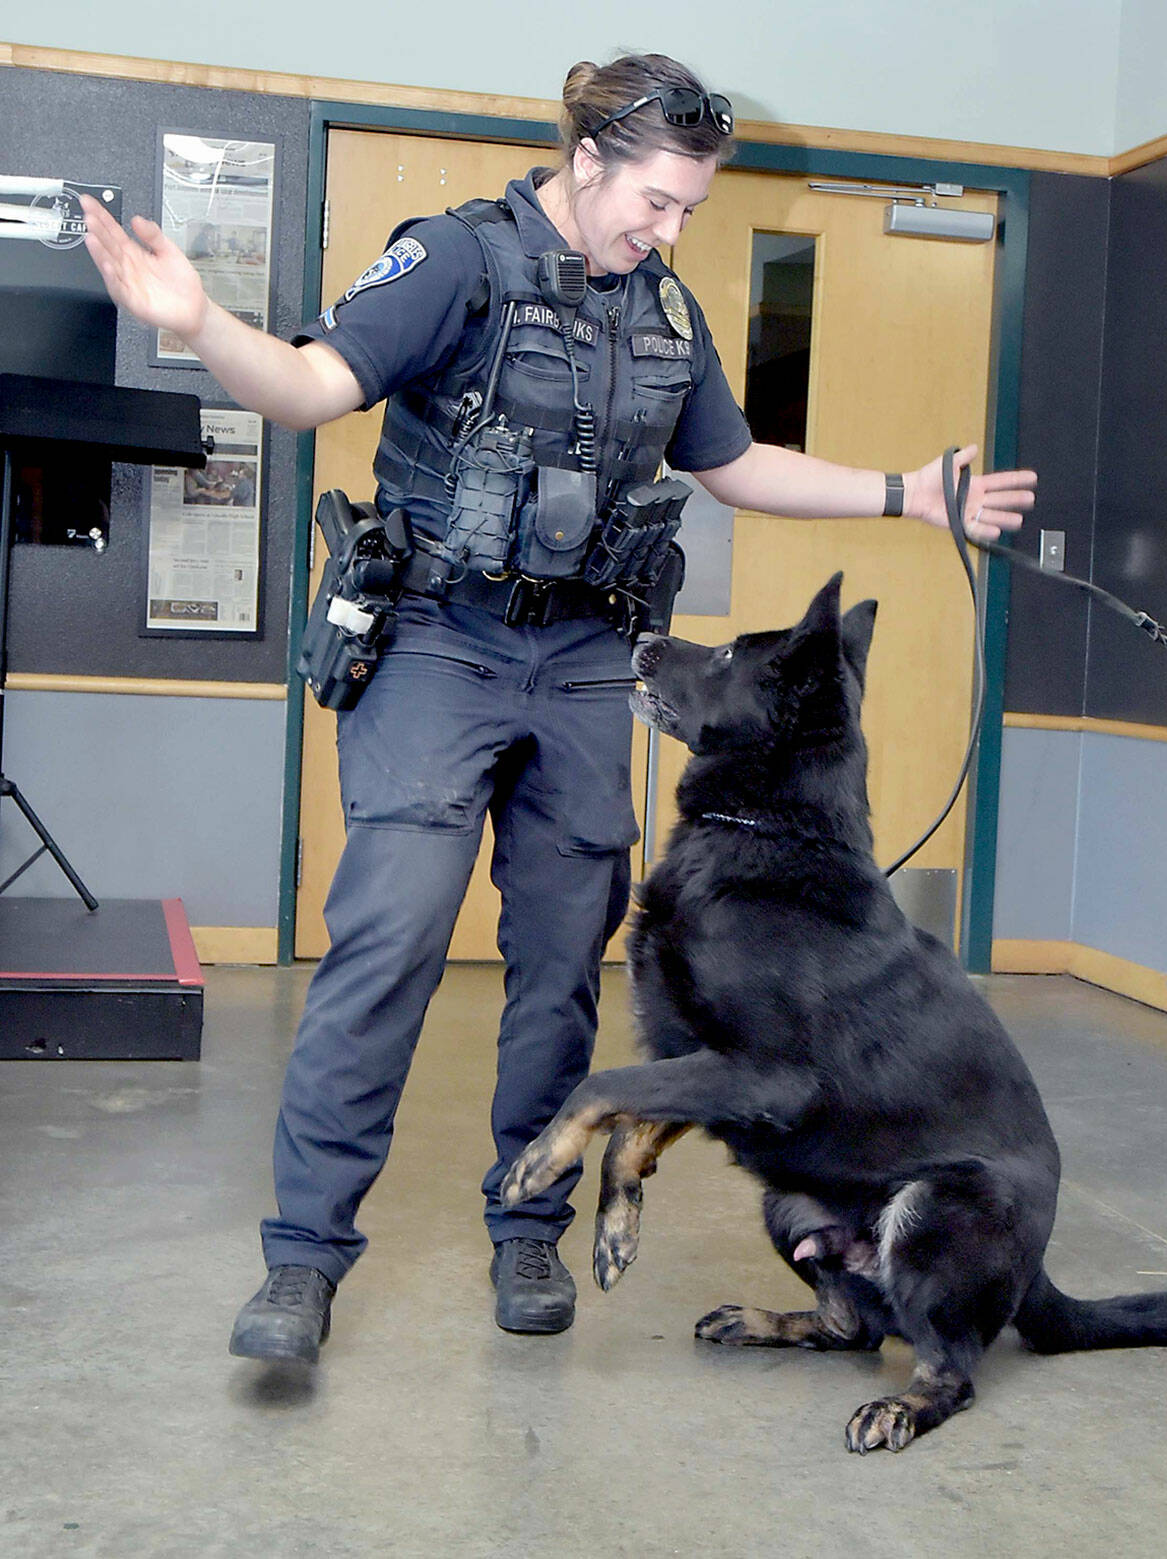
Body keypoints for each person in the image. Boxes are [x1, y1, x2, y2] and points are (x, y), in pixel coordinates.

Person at [82, 52, 1036, 1362]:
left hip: (589, 656)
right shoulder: (456, 263)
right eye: (657, 198)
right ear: (586, 156)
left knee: (559, 974)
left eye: (691, 208)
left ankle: (523, 1229)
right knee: (390, 946)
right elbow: (309, 388)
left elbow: (737, 463)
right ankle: (304, 1259)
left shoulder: (667, 311)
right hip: (437, 642)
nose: (671, 228)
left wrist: (907, 495)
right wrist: (197, 321)